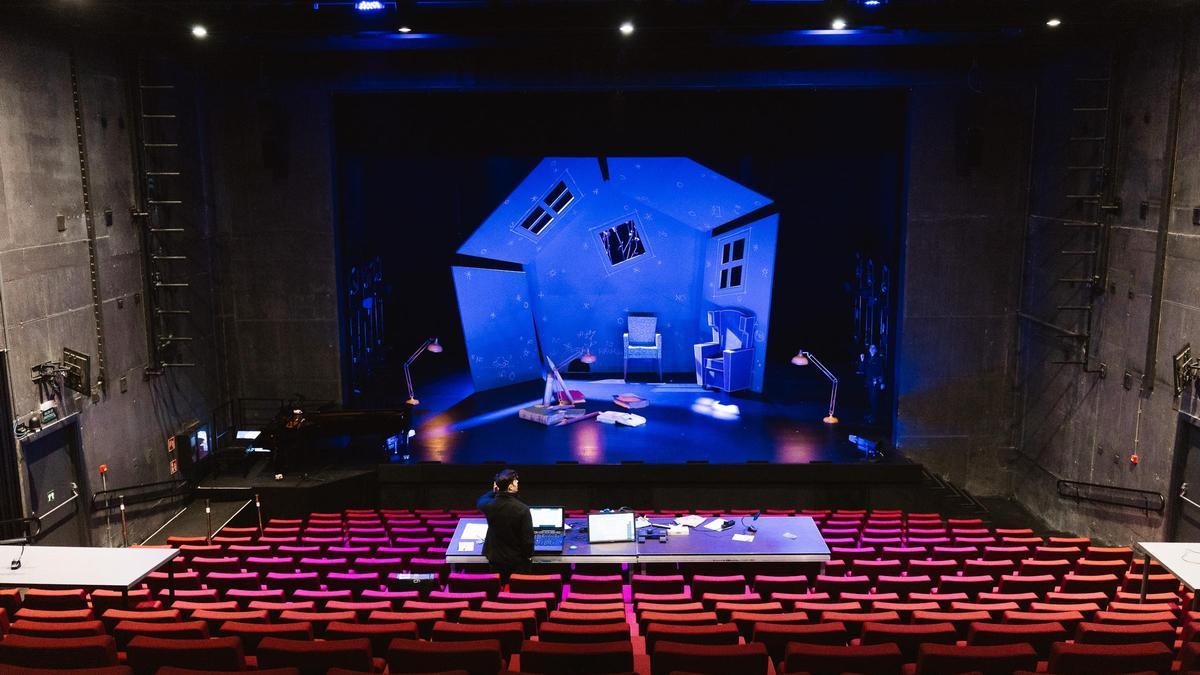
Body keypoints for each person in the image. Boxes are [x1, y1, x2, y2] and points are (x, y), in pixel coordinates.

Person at [476, 468, 533, 578]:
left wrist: (494, 491)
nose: (517, 483)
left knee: (498, 589)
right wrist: (528, 556)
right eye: (516, 481)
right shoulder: (522, 509)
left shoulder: (489, 505)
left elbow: (481, 500)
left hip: (495, 561)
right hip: (517, 563)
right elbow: (528, 540)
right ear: (510, 486)